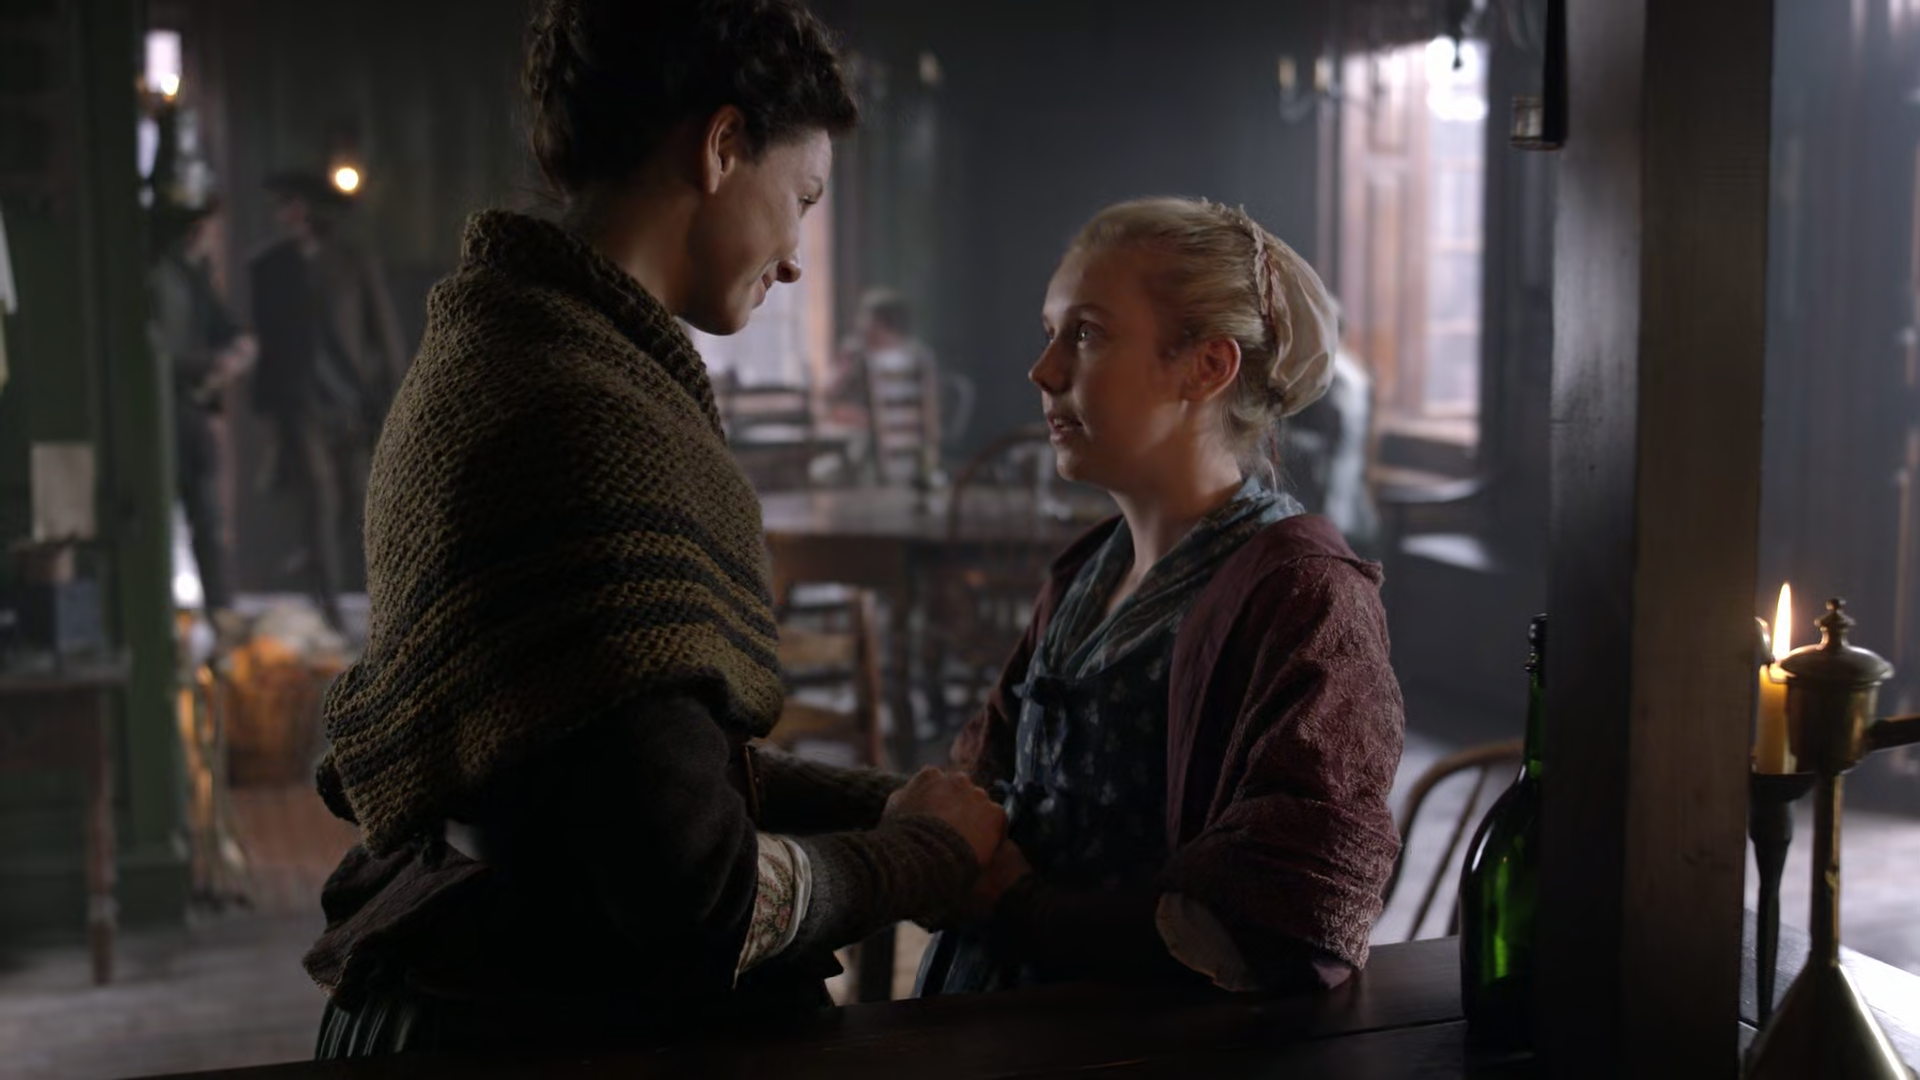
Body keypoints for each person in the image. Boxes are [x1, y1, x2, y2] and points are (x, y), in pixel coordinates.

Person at [305, 0, 1005, 1058]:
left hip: (473, 991)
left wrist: (896, 804)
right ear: (722, 147)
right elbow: (702, 897)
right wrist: (927, 855)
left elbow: (620, 772)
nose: (796, 256)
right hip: (554, 1032)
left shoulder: (494, 353)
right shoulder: (587, 416)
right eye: (803, 198)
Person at [920, 197, 1406, 997]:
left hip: (1133, 1042)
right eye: (1051, 332)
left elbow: (1293, 905)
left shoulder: (1306, 594)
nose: (1044, 371)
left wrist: (1022, 909)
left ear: (1207, 366)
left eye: (1087, 334)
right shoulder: (1086, 572)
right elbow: (994, 780)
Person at [248, 169, 407, 633]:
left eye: (288, 204)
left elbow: (384, 335)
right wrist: (269, 410)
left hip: (351, 400)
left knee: (360, 499)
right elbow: (269, 342)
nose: (281, 214)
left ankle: (377, 597)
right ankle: (329, 604)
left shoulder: (353, 263)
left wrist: (397, 398)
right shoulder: (269, 268)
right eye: (279, 205)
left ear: (307, 210)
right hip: (301, 402)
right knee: (319, 495)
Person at [148, 193, 255, 640]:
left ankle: (220, 614)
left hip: (191, 412)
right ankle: (182, 619)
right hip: (164, 412)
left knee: (208, 519)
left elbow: (228, 328)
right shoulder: (159, 277)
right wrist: (215, 364)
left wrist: (236, 351)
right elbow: (161, 353)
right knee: (173, 519)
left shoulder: (190, 274)